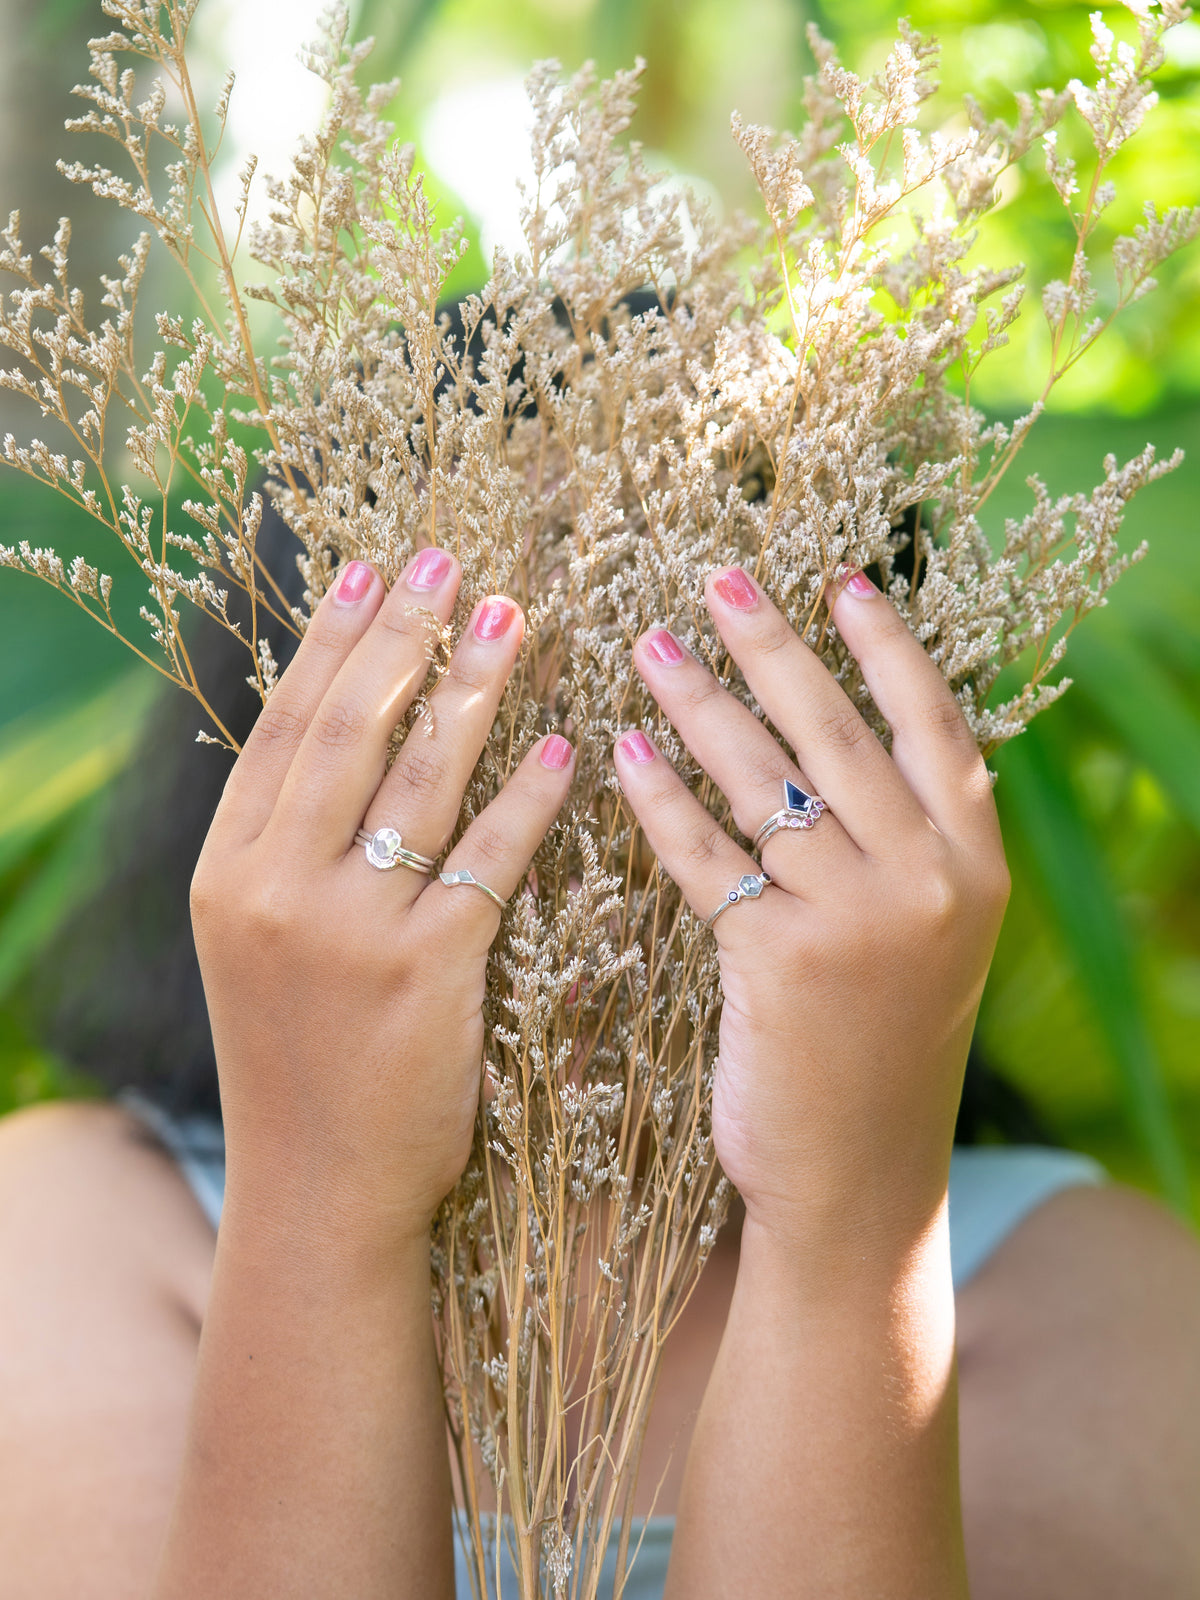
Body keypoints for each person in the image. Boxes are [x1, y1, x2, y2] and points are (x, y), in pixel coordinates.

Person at [1, 509, 1198, 1600]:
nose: (581, 812)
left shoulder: (1093, 1299)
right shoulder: (71, 1227)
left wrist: (850, 1223)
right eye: (482, 682)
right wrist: (324, 1192)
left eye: (674, 687)